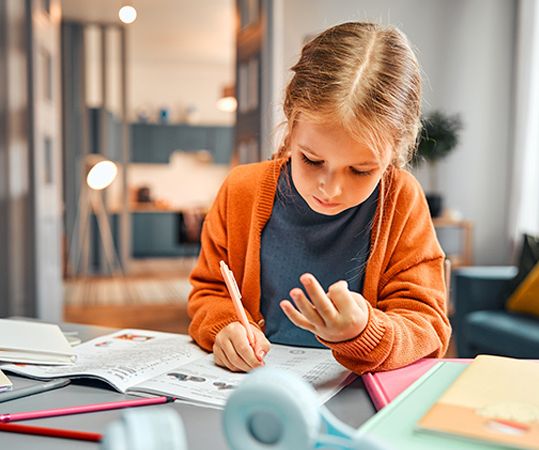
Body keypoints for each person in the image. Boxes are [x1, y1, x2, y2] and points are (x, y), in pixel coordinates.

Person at [187, 21, 450, 375]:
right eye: (311, 160)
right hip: (255, 388)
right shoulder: (241, 191)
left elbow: (427, 324)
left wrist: (365, 332)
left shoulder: (401, 202)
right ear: (291, 125)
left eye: (361, 170)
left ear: (394, 155)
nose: (331, 188)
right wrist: (224, 328)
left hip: (357, 399)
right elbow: (209, 292)